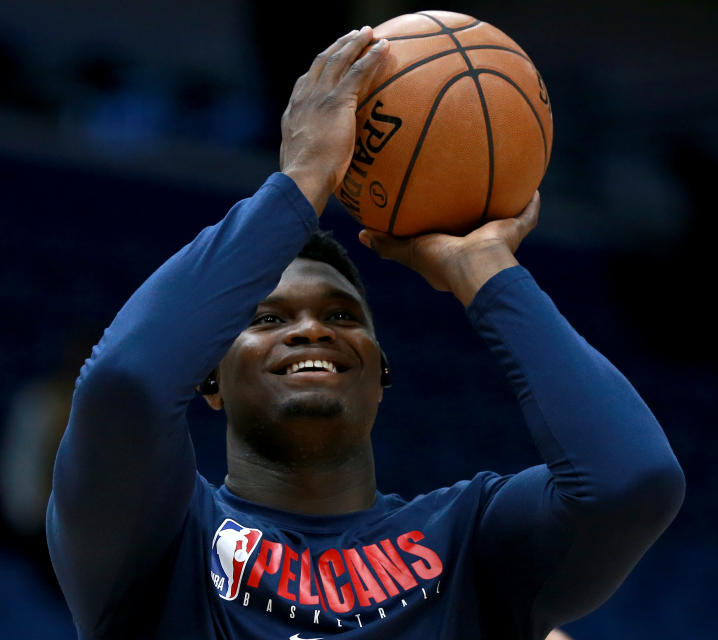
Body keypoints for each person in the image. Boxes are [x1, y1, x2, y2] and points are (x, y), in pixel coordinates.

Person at [47, 27, 685, 639]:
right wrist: (299, 185)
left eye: (343, 315)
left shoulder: (472, 539)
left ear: (381, 371)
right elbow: (124, 385)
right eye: (267, 319)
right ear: (207, 378)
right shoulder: (159, 538)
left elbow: (633, 481)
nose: (311, 330)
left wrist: (487, 270)